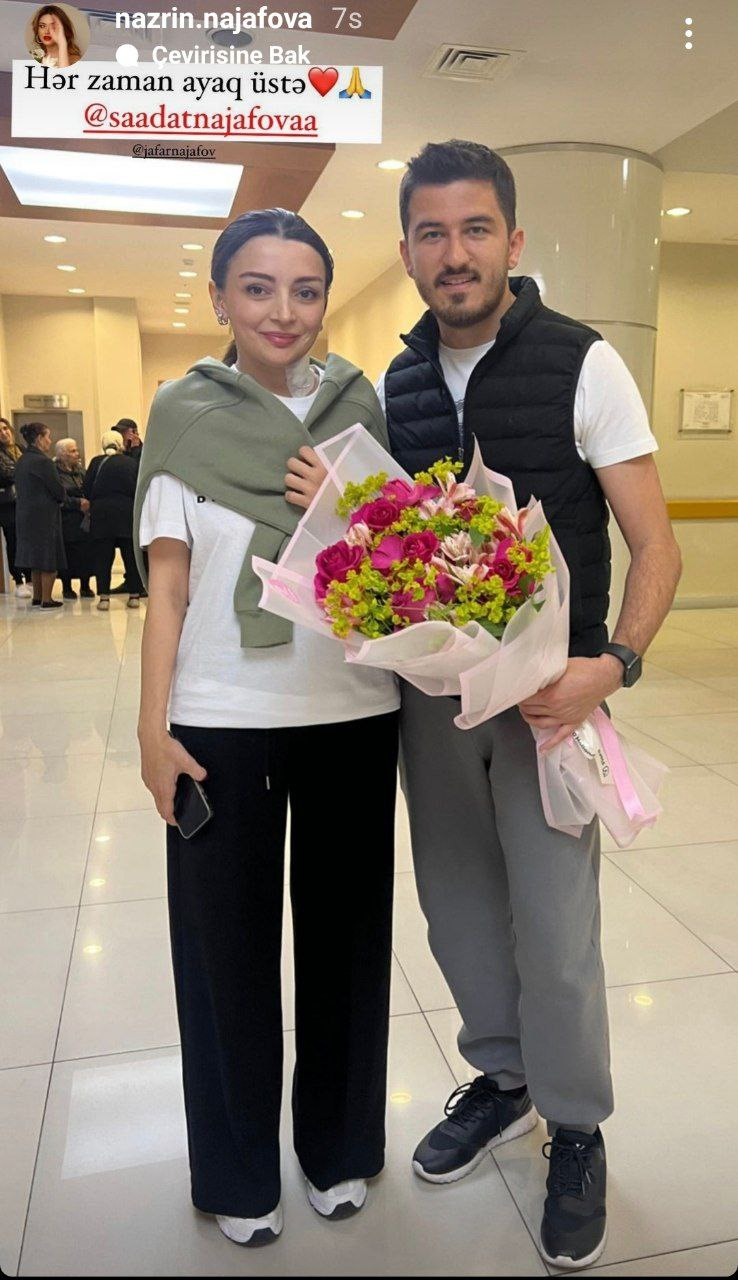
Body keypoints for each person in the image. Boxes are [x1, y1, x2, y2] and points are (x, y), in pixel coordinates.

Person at [371, 141, 681, 1270]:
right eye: (432, 233)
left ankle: (578, 1124)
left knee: (555, 929)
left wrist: (615, 664)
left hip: (554, 699)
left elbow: (657, 546)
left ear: (513, 239)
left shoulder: (583, 361)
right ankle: (503, 1083)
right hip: (436, 701)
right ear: (408, 249)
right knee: (456, 909)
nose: (454, 253)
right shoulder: (400, 383)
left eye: (474, 229)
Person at [134, 208, 400, 1248]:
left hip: (352, 709)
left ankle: (338, 1147)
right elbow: (167, 589)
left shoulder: (360, 409)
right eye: (256, 287)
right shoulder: (183, 412)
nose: (282, 310)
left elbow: (401, 565)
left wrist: (353, 500)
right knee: (224, 958)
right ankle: (238, 1170)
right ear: (219, 299)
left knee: (347, 945)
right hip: (220, 717)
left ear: (325, 299)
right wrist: (150, 730)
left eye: (304, 289)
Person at [83, 429, 143, 611]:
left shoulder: (96, 462)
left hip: (101, 515)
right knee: (130, 556)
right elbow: (137, 488)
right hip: (126, 514)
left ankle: (104, 598)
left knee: (103, 557)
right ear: (120, 444)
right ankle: (134, 595)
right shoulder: (130, 463)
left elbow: (86, 488)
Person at [13, 422, 67, 609]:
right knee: (48, 558)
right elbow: (57, 490)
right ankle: (47, 599)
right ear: (39, 439)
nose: (50, 441)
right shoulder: (44, 462)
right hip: (44, 516)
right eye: (47, 437)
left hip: (25, 515)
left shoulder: (22, 460)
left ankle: (37, 596)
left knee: (35, 559)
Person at [54, 438, 94, 600]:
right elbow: (58, 496)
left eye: (76, 450)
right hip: (66, 519)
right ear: (62, 454)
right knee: (68, 553)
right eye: (73, 451)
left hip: (84, 520)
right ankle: (67, 587)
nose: (77, 454)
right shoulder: (55, 473)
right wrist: (77, 503)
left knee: (86, 553)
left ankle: (85, 586)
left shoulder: (81, 471)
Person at [0, 418, 32, 598]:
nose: (4, 433)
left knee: (27, 540)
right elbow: (5, 474)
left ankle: (30, 578)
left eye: (5, 428)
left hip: (26, 502)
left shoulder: (21, 449)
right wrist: (22, 471)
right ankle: (18, 580)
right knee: (13, 542)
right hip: (7, 506)